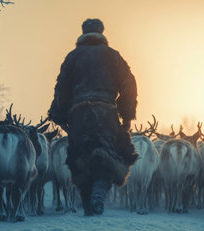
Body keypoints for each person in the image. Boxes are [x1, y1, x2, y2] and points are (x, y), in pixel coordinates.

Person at [48, 18, 138, 216]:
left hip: (78, 114)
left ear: (83, 33)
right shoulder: (113, 56)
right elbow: (129, 84)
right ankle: (99, 192)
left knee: (79, 157)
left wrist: (59, 114)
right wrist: (127, 115)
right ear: (102, 32)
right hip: (106, 113)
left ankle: (88, 203)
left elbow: (61, 88)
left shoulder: (72, 57)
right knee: (110, 156)